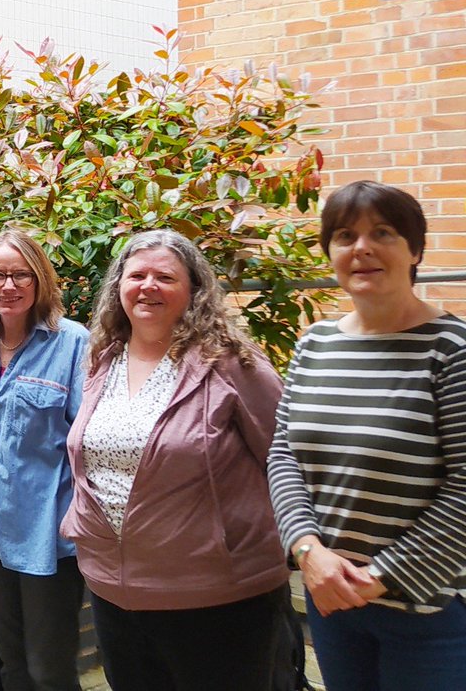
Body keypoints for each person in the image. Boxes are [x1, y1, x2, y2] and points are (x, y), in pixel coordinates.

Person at [60, 229, 289, 691]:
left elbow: (285, 459)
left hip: (216, 597)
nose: (148, 286)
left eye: (165, 277)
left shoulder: (231, 364)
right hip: (113, 591)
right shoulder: (104, 361)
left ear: (194, 291)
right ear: (118, 286)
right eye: (137, 275)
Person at [268, 181, 466, 691]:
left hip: (427, 606)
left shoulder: (451, 350)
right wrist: (307, 551)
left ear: (415, 249)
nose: (362, 248)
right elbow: (283, 454)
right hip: (331, 599)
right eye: (344, 236)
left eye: (383, 233)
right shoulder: (315, 343)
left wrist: (381, 575)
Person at [0, 228, 89, 691]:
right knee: (9, 664)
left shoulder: (71, 343)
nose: (8, 286)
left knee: (50, 668)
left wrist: (81, 513)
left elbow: (85, 442)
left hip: (47, 528)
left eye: (20, 275)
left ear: (40, 280)